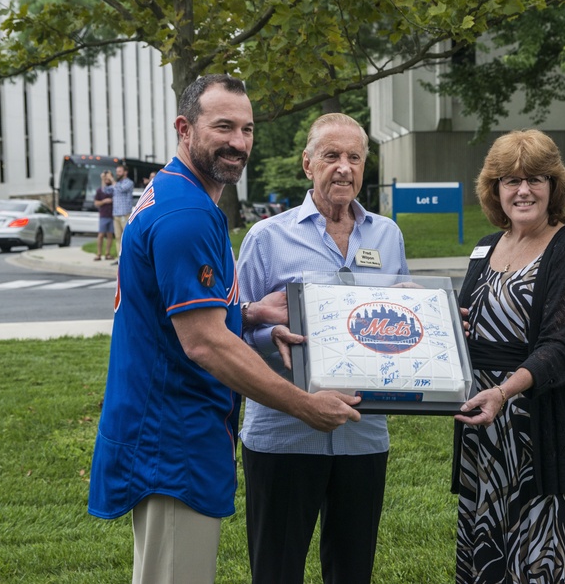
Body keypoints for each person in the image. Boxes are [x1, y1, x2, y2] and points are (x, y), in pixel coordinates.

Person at [88, 75, 361, 584]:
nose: (239, 141)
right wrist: (306, 405)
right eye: (223, 127)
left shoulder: (172, 192)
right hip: (171, 439)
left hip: (169, 431)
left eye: (247, 129)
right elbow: (205, 343)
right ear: (184, 127)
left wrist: (251, 313)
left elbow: (180, 313)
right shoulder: (187, 212)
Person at [236, 112, 409, 584]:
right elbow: (233, 323)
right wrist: (263, 328)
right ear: (307, 163)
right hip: (284, 432)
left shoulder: (387, 236)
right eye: (331, 155)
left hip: (363, 433)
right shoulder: (267, 237)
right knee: (277, 568)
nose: (344, 167)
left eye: (354, 157)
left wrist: (433, 332)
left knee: (353, 570)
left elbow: (401, 316)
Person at [453, 129, 565, 583]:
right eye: (510, 180)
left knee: (544, 555)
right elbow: (470, 322)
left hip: (540, 428)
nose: (523, 190)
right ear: (494, 189)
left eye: (536, 178)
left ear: (554, 186)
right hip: (485, 434)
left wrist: (504, 390)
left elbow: (563, 348)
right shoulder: (486, 246)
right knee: (489, 546)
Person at [109, 162, 134, 261]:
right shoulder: (117, 183)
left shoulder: (129, 182)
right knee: (118, 237)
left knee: (127, 237)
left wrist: (112, 180)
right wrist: (104, 179)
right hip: (116, 215)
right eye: (117, 172)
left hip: (125, 214)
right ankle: (120, 258)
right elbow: (105, 190)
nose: (117, 173)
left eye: (119, 171)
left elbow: (121, 189)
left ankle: (129, 258)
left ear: (125, 172)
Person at [93, 171, 115, 261]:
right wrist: (104, 201)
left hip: (113, 215)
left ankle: (107, 253)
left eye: (108, 178)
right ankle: (98, 254)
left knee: (110, 235)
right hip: (104, 215)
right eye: (105, 178)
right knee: (101, 235)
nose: (107, 180)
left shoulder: (114, 188)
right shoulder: (100, 190)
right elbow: (96, 203)